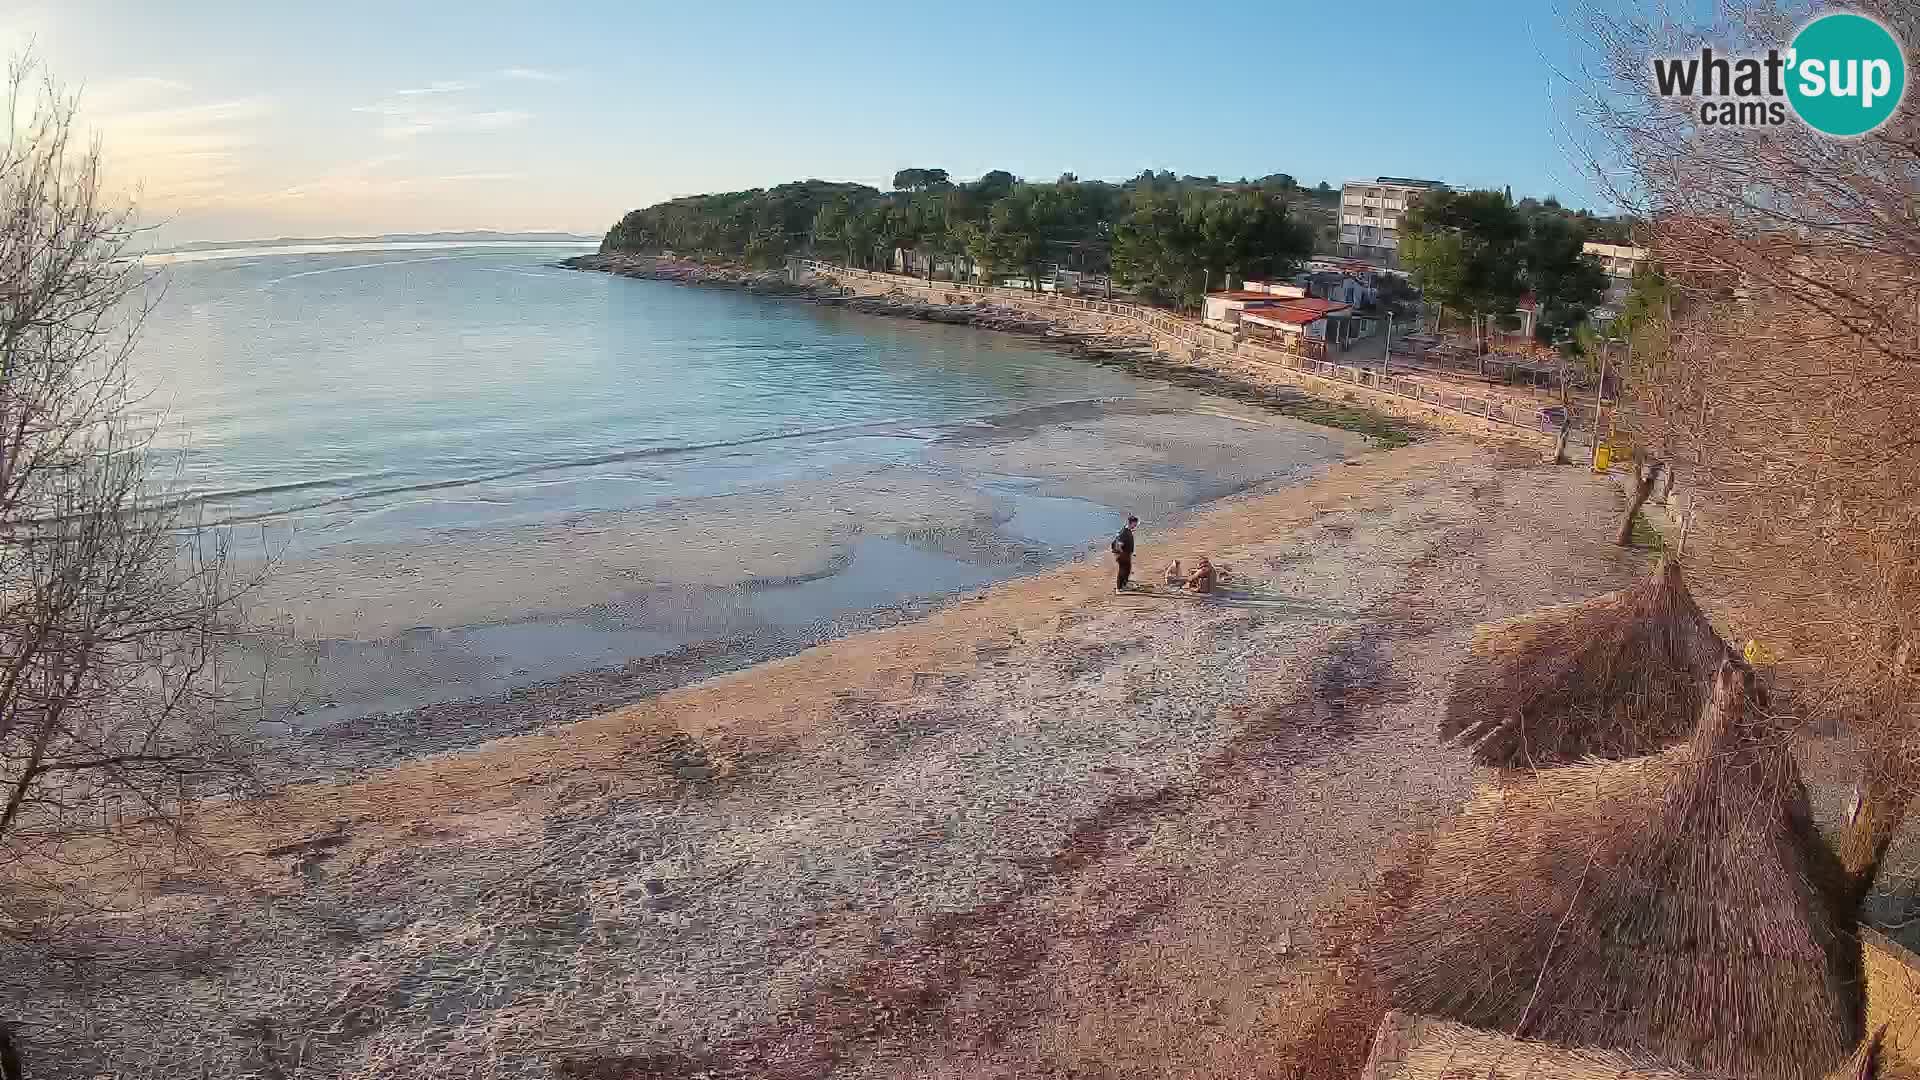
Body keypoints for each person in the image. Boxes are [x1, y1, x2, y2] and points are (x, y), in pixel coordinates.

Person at [1111, 515, 1137, 592]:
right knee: (1123, 570)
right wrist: (1122, 554)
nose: (1135, 526)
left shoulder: (1127, 531)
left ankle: (1124, 584)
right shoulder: (1124, 532)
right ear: (1131, 523)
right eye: (1134, 524)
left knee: (1127, 569)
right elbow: (1119, 545)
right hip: (1122, 555)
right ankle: (1119, 587)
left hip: (1125, 554)